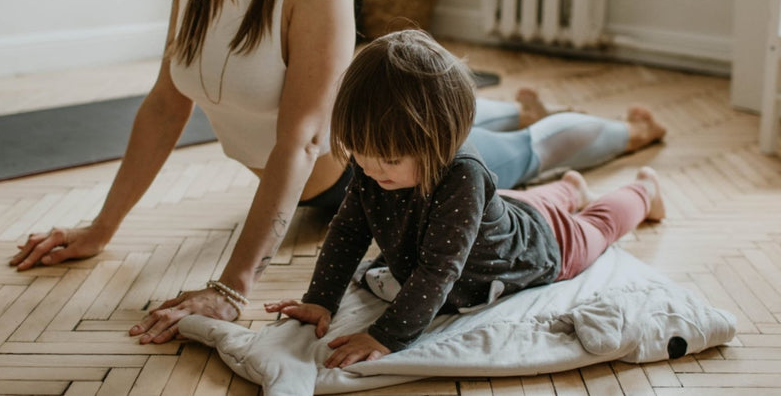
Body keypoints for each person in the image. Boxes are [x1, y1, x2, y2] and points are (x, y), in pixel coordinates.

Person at [7, 0, 664, 344]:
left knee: (523, 151)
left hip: (383, 172)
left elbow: (301, 140)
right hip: (360, 156)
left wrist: (231, 288)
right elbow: (163, 106)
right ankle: (521, 124)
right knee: (493, 132)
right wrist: (101, 227)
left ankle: (628, 135)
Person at [265, 30, 665, 367]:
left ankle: (644, 191)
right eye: (360, 155)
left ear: (439, 141)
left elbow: (439, 270)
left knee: (597, 225)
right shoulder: (374, 166)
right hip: (505, 210)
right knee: (525, 203)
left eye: (387, 159)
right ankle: (571, 187)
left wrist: (385, 336)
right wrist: (320, 299)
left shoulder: (463, 176)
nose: (370, 170)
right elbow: (349, 230)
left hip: (541, 244)